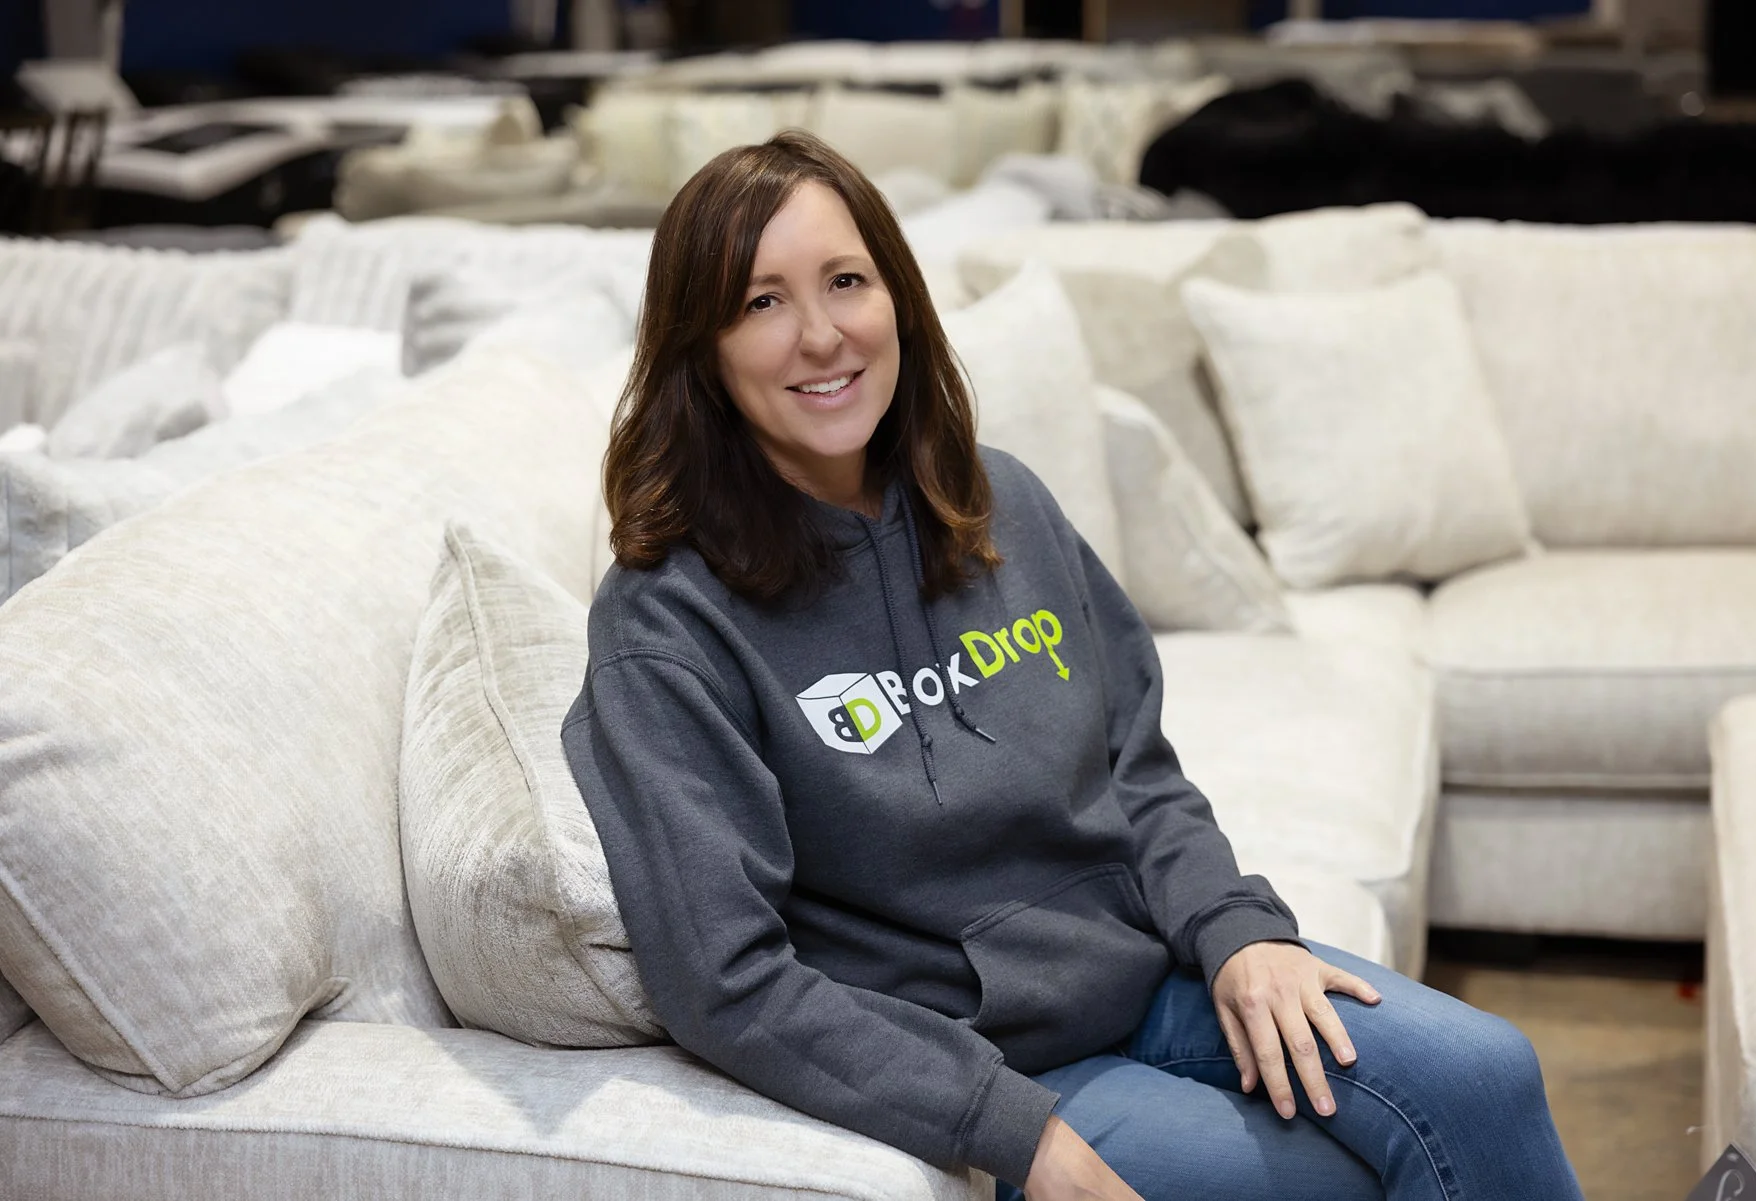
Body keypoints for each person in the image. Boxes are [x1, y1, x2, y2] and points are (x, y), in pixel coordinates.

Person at [561, 129, 1585, 1201]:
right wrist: (1013, 1132)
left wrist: (1237, 933)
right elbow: (724, 981)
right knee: (1322, 1185)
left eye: (846, 281)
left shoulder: (997, 505)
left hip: (1152, 977)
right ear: (703, 350)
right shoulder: (666, 625)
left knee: (1485, 1074)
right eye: (761, 302)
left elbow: (1137, 772)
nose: (821, 334)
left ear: (897, 298)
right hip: (992, 1061)